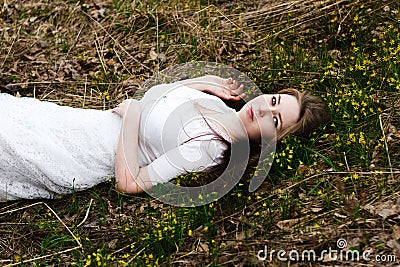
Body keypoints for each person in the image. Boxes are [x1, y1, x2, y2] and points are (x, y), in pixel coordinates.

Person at [0, 75, 327, 201]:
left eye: (276, 120)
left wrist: (131, 116)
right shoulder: (216, 104)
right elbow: (156, 97)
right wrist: (203, 81)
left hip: (85, 153)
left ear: (273, 139)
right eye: (273, 101)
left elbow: (129, 182)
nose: (265, 110)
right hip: (80, 121)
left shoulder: (209, 148)